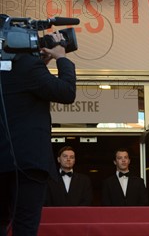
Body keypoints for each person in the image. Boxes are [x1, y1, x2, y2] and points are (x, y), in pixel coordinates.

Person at [0, 28, 76, 236]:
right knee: (25, 227)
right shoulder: (27, 66)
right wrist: (61, 57)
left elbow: (20, 86)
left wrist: (41, 65)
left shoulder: (24, 68)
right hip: (28, 164)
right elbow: (67, 92)